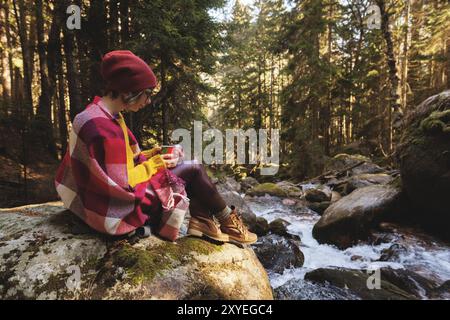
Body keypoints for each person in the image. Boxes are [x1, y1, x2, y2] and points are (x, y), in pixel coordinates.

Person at [55, 50, 257, 245]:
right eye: (147, 94)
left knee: (186, 164)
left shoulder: (94, 114)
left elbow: (116, 165)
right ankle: (225, 222)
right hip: (113, 212)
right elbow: (124, 184)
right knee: (193, 167)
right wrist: (156, 164)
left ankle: (203, 221)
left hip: (91, 203)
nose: (149, 101)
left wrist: (152, 154)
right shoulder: (105, 128)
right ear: (129, 92)